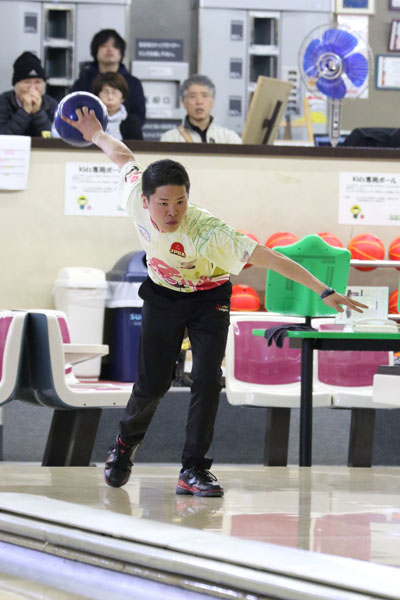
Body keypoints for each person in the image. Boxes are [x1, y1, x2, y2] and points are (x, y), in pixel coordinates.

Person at [61, 106, 366, 497]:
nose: (173, 211)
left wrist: (323, 289)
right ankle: (123, 445)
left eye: (181, 202)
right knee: (153, 383)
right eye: (163, 203)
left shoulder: (209, 231)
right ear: (146, 199)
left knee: (207, 379)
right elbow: (122, 156)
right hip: (163, 295)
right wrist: (95, 133)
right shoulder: (134, 194)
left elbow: (272, 258)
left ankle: (194, 469)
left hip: (209, 299)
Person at [70, 29, 146, 127]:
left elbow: (139, 115)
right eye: (104, 45)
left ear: (121, 52)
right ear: (95, 50)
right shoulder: (83, 82)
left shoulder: (133, 83)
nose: (110, 50)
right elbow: (73, 110)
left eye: (115, 46)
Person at [160, 74, 242, 144]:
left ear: (213, 102)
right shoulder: (170, 138)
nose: (199, 101)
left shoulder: (229, 138)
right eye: (193, 96)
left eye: (204, 95)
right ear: (184, 103)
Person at [0, 51, 57, 137]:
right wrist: (25, 111)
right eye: (27, 82)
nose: (32, 88)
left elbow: (53, 138)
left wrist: (38, 112)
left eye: (38, 82)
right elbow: (3, 137)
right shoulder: (3, 102)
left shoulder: (51, 104)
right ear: (15, 86)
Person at [92, 72, 143, 140]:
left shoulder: (132, 123)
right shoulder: (90, 121)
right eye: (105, 92)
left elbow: (139, 145)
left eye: (114, 93)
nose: (110, 97)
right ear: (97, 96)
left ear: (122, 98)